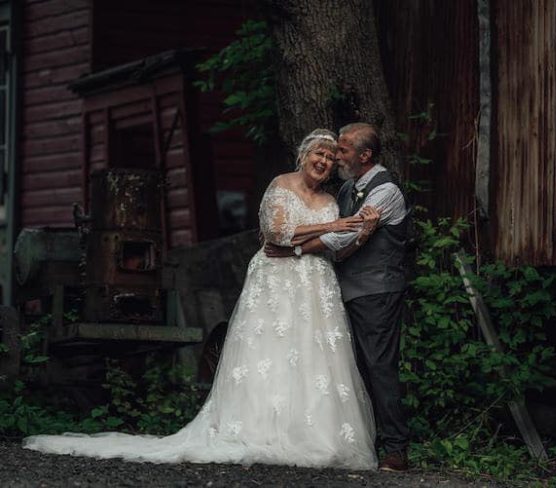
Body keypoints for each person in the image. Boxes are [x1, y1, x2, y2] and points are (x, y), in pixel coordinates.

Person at [23, 129, 382, 470]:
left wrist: (352, 230)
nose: (324, 161)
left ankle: (314, 433)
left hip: (314, 282)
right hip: (276, 282)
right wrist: (329, 228)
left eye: (331, 159)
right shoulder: (281, 185)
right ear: (305, 155)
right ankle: (261, 429)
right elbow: (276, 232)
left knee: (312, 354)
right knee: (271, 350)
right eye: (319, 153)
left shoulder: (330, 201)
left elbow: (324, 247)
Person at [266, 123, 410, 472]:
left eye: (343, 150)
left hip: (376, 290)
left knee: (378, 365)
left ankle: (396, 448)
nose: (335, 156)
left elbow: (343, 238)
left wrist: (294, 252)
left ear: (365, 156)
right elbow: (344, 237)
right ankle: (365, 439)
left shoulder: (386, 191)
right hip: (340, 289)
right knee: (349, 369)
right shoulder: (346, 189)